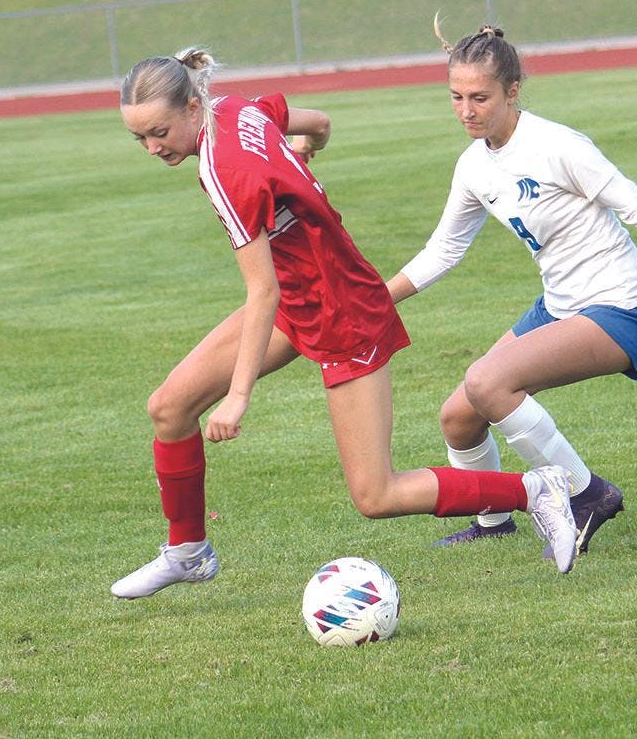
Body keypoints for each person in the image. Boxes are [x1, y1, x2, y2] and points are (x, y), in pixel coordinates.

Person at [110, 47, 582, 599]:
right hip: (300, 298)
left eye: (159, 132)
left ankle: (536, 490)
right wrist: (300, 159)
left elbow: (261, 292)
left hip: (341, 311)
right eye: (139, 138)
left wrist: (238, 397)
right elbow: (319, 124)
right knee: (169, 408)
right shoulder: (236, 109)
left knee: (376, 495)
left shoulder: (224, 172)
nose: (153, 147)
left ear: (193, 107)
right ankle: (188, 551)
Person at [386, 21, 637, 554]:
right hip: (559, 305)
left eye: (480, 98)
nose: (466, 110)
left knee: (488, 382)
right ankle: (492, 522)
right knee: (459, 416)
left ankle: (588, 495)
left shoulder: (557, 146)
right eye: (456, 97)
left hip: (620, 308)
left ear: (512, 91)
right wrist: (376, 300)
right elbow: (443, 251)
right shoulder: (473, 167)